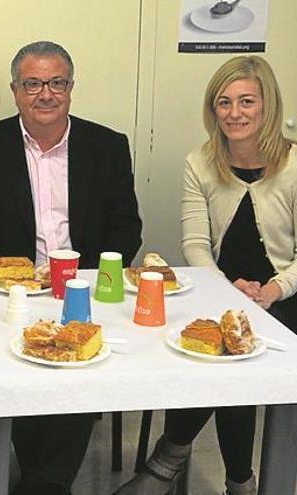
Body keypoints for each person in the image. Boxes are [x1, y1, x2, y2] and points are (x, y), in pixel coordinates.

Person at [0, 41, 142, 494]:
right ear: (15, 91)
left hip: (83, 290)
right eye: (33, 83)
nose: (45, 94)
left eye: (56, 83)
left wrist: (84, 283)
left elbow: (125, 229)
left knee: (78, 365)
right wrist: (8, 282)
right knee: (16, 367)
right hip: (10, 296)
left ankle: (41, 483)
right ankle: (46, 481)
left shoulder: (107, 146)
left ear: (71, 88)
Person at [116, 55, 295, 495]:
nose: (234, 113)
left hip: (288, 297)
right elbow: (195, 243)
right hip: (220, 289)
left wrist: (273, 289)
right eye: (224, 102)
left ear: (267, 105)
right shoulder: (201, 162)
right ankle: (239, 483)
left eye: (246, 101)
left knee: (234, 351)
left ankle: (166, 464)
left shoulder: (294, 165)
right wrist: (223, 289)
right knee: (207, 348)